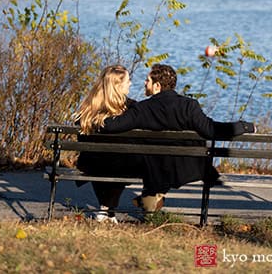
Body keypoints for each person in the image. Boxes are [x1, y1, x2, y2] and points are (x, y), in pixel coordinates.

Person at [102, 63, 256, 212]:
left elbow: (112, 126)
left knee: (151, 160)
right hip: (183, 168)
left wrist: (92, 117)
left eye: (147, 80)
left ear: (157, 86)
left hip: (153, 168)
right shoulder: (189, 106)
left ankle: (150, 200)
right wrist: (245, 126)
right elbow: (212, 130)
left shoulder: (142, 109)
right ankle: (150, 201)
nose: (144, 83)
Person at [74, 65, 144, 223]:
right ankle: (108, 210)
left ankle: (105, 209)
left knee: (99, 159)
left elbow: (81, 137)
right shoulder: (132, 108)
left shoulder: (89, 109)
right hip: (122, 165)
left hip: (92, 163)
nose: (130, 84)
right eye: (128, 80)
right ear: (117, 85)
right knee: (120, 161)